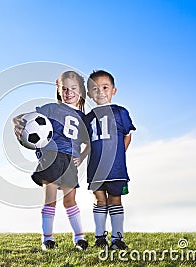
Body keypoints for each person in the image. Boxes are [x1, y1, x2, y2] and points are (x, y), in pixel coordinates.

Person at [13, 71, 89, 251]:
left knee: (70, 200)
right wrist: (14, 121)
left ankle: (79, 238)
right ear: (57, 87)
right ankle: (47, 239)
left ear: (80, 90)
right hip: (51, 157)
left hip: (70, 161)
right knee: (50, 200)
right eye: (64, 88)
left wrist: (82, 156)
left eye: (73, 88)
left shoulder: (83, 118)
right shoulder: (51, 108)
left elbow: (89, 144)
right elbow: (23, 118)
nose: (68, 92)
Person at [84, 70, 136, 250]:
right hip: (95, 168)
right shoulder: (88, 117)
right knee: (99, 200)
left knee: (115, 200)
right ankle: (100, 238)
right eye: (95, 89)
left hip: (116, 168)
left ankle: (117, 239)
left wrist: (118, 154)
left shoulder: (121, 112)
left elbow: (127, 136)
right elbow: (86, 143)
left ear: (113, 90)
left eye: (105, 87)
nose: (100, 92)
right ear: (89, 93)